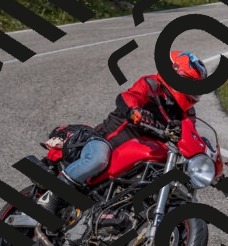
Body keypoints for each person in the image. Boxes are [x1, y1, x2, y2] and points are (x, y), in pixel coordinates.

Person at [37, 51, 208, 214]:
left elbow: (191, 136)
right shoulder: (152, 86)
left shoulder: (187, 114)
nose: (193, 92)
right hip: (103, 140)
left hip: (136, 159)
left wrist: (210, 159)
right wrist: (135, 111)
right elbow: (128, 97)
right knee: (98, 158)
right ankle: (53, 196)